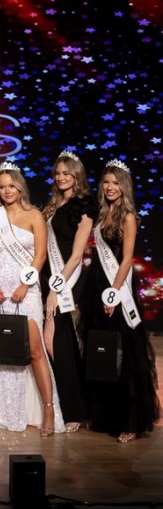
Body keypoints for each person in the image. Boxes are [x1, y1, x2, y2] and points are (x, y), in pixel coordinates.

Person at [0, 161, 63, 436]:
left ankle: (47, 410)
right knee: (4, 352)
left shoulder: (34, 215)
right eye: (2, 187)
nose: (7, 191)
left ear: (20, 187)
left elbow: (40, 255)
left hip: (26, 291)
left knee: (34, 350)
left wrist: (25, 284)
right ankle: (8, 412)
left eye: (11, 186)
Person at [79, 160, 159, 443]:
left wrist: (114, 292)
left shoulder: (128, 216)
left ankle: (129, 420)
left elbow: (126, 259)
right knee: (102, 350)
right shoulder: (102, 213)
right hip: (97, 285)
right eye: (106, 182)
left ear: (124, 186)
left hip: (117, 286)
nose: (110, 187)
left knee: (124, 352)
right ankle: (103, 414)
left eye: (115, 183)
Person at [41, 151, 96, 433]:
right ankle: (75, 406)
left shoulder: (84, 205)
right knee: (59, 342)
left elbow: (76, 255)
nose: (61, 177)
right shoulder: (53, 203)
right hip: (46, 276)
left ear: (77, 175)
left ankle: (73, 410)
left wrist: (56, 289)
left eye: (67, 173)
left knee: (55, 340)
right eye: (58, 173)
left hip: (65, 279)